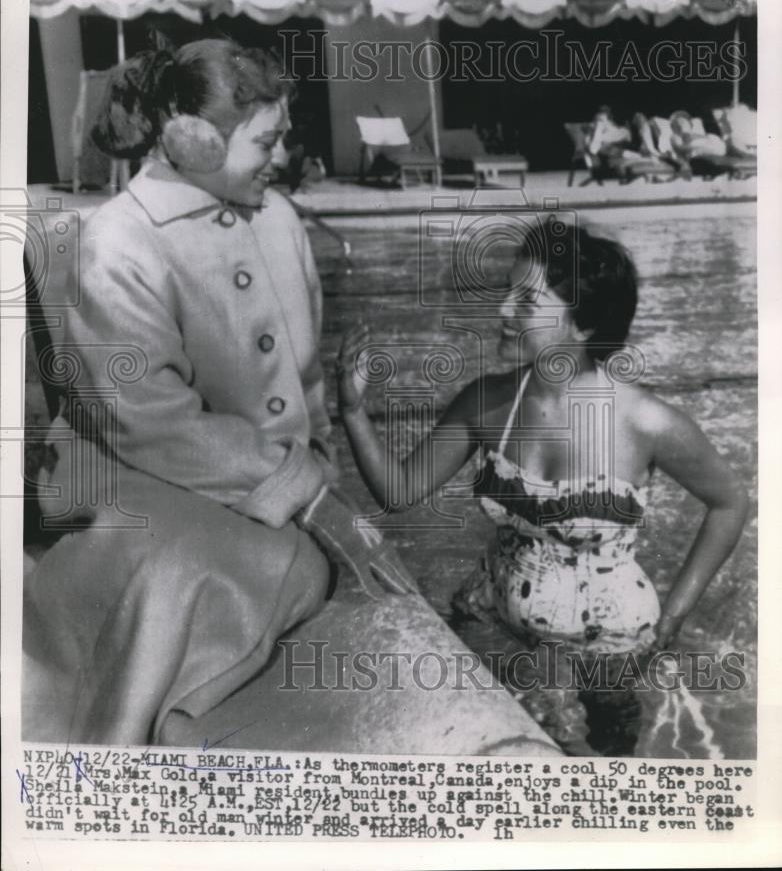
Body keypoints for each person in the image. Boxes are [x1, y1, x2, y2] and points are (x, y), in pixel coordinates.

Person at [23, 38, 413, 746]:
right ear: (192, 138)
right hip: (132, 476)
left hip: (258, 483)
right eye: (266, 140)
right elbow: (150, 422)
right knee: (190, 578)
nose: (284, 155)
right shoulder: (113, 242)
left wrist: (320, 479)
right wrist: (307, 496)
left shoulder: (280, 220)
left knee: (286, 564)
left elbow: (304, 385)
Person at [336, 218, 748, 754]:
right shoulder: (487, 402)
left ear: (582, 327)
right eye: (509, 292)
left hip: (610, 642)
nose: (504, 311)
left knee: (605, 759)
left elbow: (730, 502)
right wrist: (352, 412)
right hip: (492, 615)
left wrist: (672, 617)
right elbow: (400, 492)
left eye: (527, 301)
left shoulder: (645, 422)